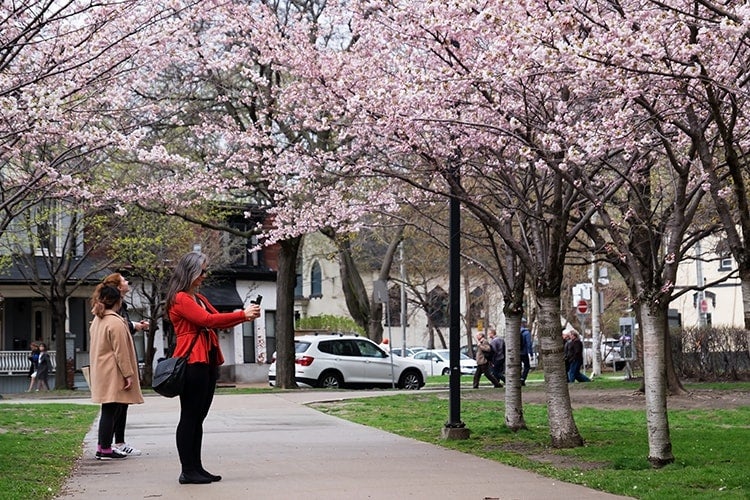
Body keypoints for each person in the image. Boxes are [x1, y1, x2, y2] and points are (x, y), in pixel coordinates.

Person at [166, 251, 261, 485]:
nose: (204, 276)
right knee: (190, 416)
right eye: (202, 271)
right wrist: (242, 315)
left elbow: (217, 317)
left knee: (198, 416)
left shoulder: (198, 298)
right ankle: (188, 470)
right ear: (190, 271)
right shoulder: (180, 298)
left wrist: (243, 315)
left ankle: (196, 468)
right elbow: (207, 321)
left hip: (206, 359)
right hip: (192, 361)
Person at [97, 273, 150, 457]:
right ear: (117, 295)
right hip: (114, 370)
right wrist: (128, 374)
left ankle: (105, 446)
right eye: (124, 280)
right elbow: (120, 350)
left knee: (111, 408)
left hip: (104, 368)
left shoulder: (99, 318)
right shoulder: (115, 321)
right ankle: (105, 447)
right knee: (112, 408)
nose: (127, 282)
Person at [520, 319, 533, 386]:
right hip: (524, 353)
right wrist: (531, 353)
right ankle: (522, 378)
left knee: (517, 367)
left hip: (516, 353)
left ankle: (517, 379)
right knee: (527, 366)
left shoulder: (514, 332)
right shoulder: (526, 333)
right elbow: (529, 344)